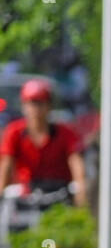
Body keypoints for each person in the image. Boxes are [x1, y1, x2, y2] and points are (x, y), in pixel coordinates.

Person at [0, 78, 88, 206]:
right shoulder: (14, 132)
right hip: (26, 195)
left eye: (40, 103)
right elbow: (6, 166)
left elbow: (77, 166)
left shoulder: (65, 133)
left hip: (59, 194)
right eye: (31, 103)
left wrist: (81, 196)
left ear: (49, 105)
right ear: (23, 106)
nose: (35, 108)